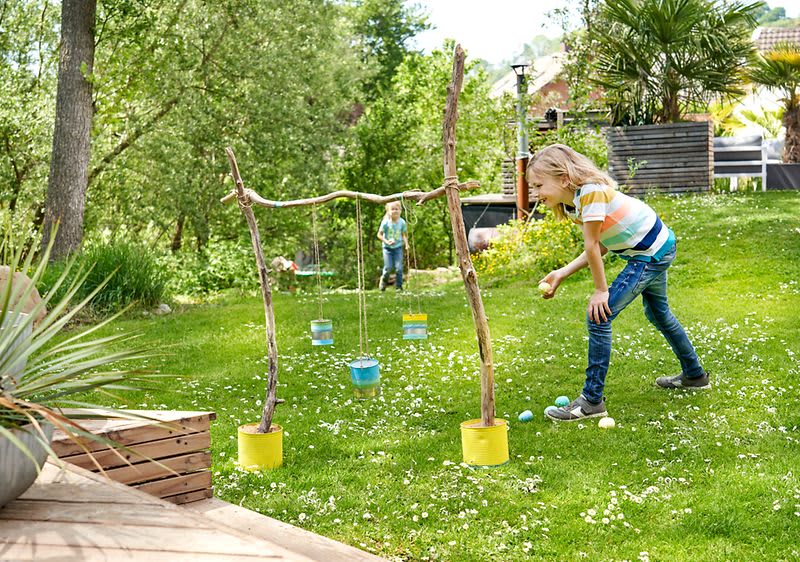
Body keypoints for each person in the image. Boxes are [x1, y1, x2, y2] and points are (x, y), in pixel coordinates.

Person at [527, 144, 708, 422]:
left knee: (599, 316)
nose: (535, 194)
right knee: (658, 313)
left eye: (539, 185)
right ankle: (694, 375)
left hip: (649, 254)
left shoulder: (591, 192)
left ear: (564, 178)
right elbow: (601, 245)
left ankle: (591, 402)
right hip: (657, 247)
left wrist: (602, 291)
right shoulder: (574, 204)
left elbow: (592, 246)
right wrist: (563, 272)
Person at [377, 201, 409, 292]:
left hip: (398, 248)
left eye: (397, 209)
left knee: (399, 268)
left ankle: (399, 287)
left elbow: (403, 234)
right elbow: (379, 235)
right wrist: (386, 241)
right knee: (388, 267)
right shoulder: (385, 223)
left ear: (400, 210)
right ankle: (383, 282)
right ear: (388, 211)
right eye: (392, 209)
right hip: (387, 248)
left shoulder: (402, 222)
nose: (395, 211)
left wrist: (406, 244)